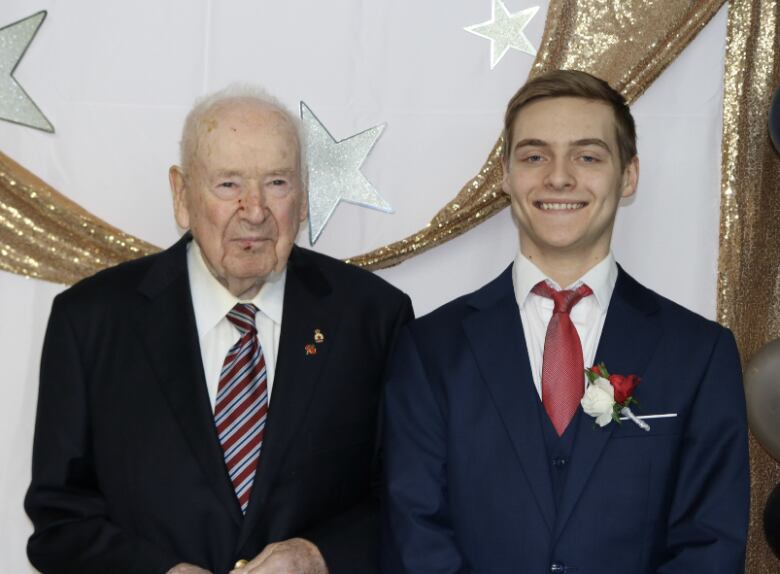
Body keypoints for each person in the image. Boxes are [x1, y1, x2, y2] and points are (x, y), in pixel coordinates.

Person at [25, 86, 413, 574]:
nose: (254, 210)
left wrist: (319, 557)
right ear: (181, 196)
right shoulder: (89, 321)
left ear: (305, 194)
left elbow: (407, 498)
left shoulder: (374, 318)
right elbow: (59, 521)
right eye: (228, 184)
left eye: (277, 183)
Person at [381, 70, 749, 573]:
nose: (558, 177)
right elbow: (415, 533)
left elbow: (710, 543)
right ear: (506, 175)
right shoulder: (429, 350)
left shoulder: (700, 353)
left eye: (588, 156)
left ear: (629, 175)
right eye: (534, 156)